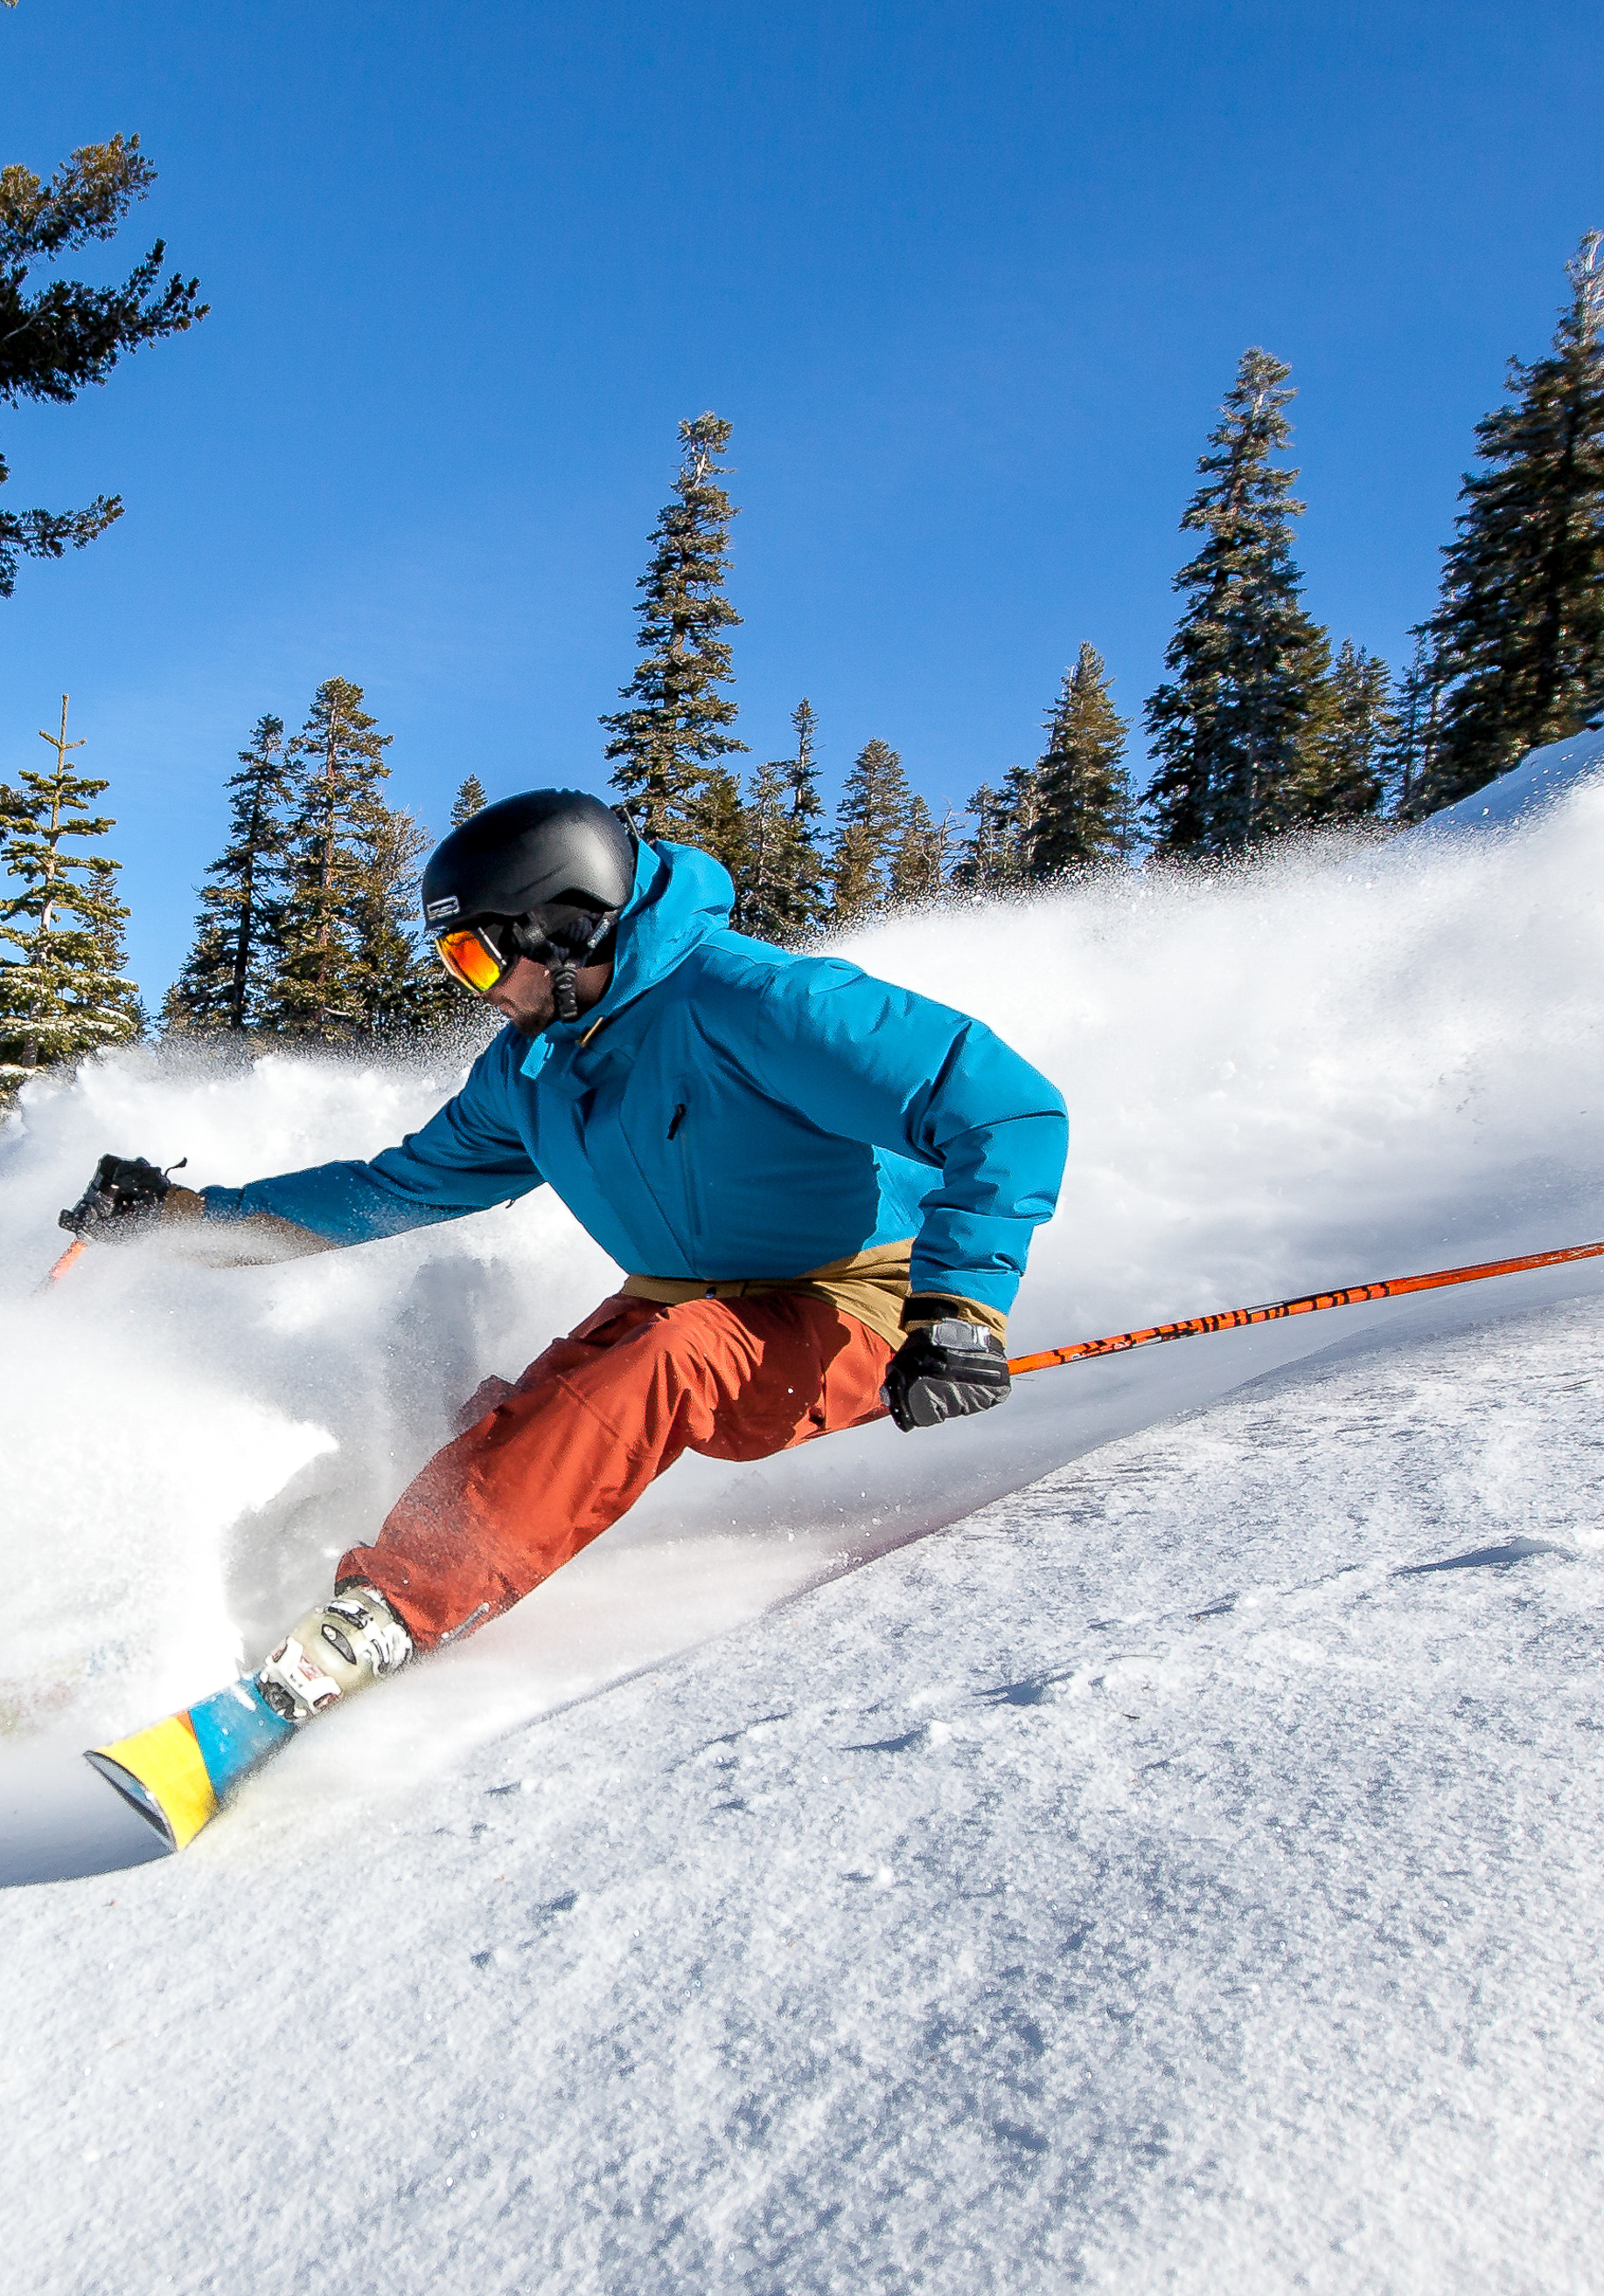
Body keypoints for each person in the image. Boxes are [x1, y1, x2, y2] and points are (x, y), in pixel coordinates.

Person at [65, 785, 1069, 1840]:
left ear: (569, 925)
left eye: (480, 961)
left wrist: (963, 1304)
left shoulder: (760, 1002)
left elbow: (1006, 1106)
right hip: (689, 1293)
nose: (478, 992)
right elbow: (390, 1189)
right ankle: (306, 1580)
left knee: (661, 1365)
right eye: (456, 965)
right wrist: (185, 1220)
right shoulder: (530, 1069)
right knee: (538, 1408)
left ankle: (382, 1620)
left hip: (864, 1294)